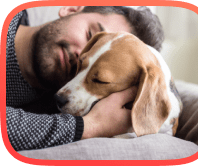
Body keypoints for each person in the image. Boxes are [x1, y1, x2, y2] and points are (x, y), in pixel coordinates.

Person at [6, 6, 164, 151]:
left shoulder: (60, 107)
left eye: (102, 71)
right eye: (91, 37)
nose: (82, 55)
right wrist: (89, 127)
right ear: (71, 9)